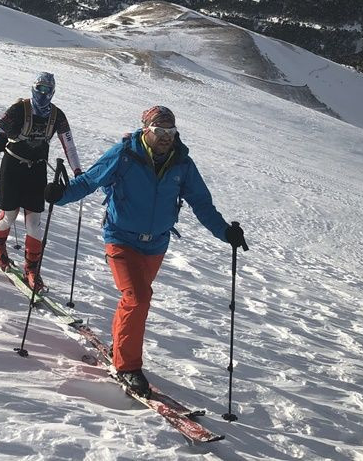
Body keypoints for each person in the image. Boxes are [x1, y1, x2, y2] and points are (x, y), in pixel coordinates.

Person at [43, 105, 248, 398]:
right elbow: (90, 180)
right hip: (120, 238)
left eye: (171, 131)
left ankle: (120, 346)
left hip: (156, 244)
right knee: (138, 297)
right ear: (145, 130)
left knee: (134, 300)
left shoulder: (182, 163)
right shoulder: (125, 154)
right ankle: (127, 366)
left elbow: (201, 203)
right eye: (159, 130)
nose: (166, 136)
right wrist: (61, 195)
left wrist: (225, 232)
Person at [0, 72, 82, 291]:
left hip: (37, 170)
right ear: (33, 88)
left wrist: (78, 171)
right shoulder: (19, 109)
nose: (43, 94)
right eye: (40, 88)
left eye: (47, 90)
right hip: (13, 166)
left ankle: (32, 269)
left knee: (34, 224)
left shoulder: (57, 116)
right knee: (9, 216)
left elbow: (70, 146)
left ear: (53, 92)